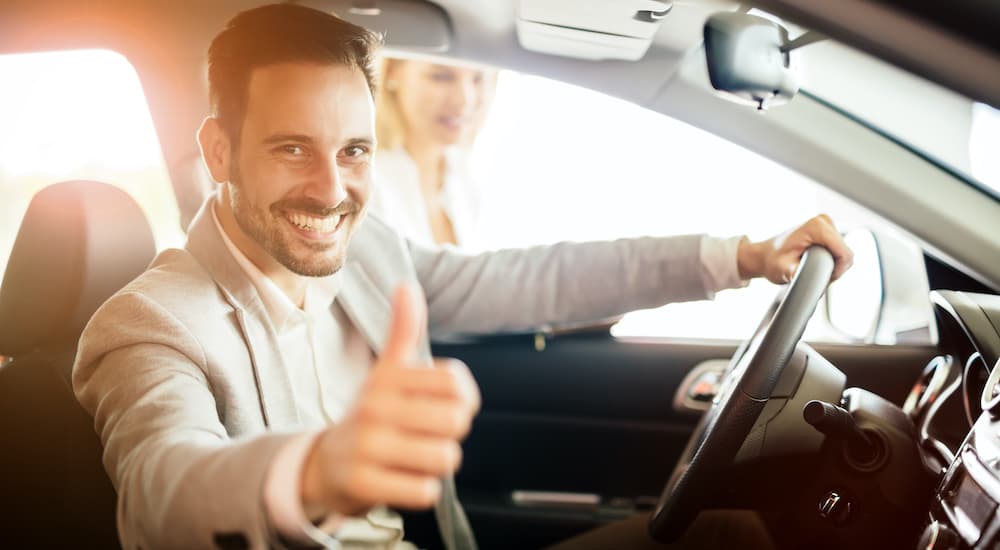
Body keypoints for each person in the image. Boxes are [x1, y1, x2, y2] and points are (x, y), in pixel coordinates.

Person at [71, 4, 853, 549]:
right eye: (289, 149)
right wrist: (313, 471)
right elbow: (160, 493)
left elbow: (534, 280)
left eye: (353, 150)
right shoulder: (150, 324)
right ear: (218, 153)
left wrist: (740, 257)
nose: (330, 188)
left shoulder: (368, 248)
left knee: (730, 534)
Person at [369, 57, 496, 247]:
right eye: (442, 77)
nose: (464, 99)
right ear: (392, 72)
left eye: (478, 78)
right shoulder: (370, 182)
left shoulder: (465, 177)